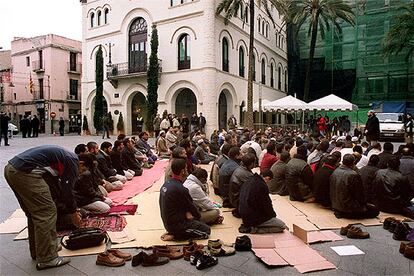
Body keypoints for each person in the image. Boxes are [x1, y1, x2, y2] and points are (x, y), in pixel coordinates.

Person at [4, 145, 81, 270]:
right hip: (25, 172)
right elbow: (68, 192)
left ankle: (39, 250)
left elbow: (58, 188)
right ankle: (47, 258)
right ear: (81, 163)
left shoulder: (65, 158)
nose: (79, 174)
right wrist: (73, 214)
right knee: (46, 212)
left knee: (33, 213)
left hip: (12, 168)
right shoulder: (72, 161)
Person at [159, 158, 211, 240]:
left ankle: (174, 232)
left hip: (168, 222)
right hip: (177, 226)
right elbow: (193, 210)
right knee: (206, 231)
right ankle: (176, 236)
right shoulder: (181, 189)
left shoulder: (167, 184)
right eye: (186, 169)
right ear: (183, 171)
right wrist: (197, 221)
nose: (187, 171)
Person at [330, 154, 379, 219]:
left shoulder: (335, 171)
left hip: (335, 205)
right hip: (347, 207)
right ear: (353, 162)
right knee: (375, 210)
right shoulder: (353, 175)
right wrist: (365, 204)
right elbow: (359, 195)